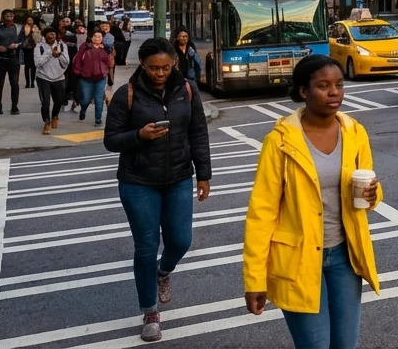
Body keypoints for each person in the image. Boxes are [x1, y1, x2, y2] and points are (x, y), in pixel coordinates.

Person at [243, 55, 382, 349]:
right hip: (297, 259)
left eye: (339, 85)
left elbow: (368, 191)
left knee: (345, 344)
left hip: (345, 255)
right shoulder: (280, 141)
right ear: (304, 92)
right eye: (324, 86)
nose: (334, 93)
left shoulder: (354, 132)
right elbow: (262, 212)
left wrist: (372, 195)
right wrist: (255, 278)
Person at [104, 37, 212, 342]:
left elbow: (198, 132)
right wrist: (139, 135)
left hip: (178, 177)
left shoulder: (187, 91)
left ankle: (163, 272)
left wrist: (204, 174)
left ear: (174, 64)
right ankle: (150, 312)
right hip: (138, 182)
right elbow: (111, 140)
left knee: (180, 240)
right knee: (146, 247)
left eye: (165, 67)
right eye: (153, 68)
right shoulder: (127, 94)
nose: (160, 73)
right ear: (142, 64)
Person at [72, 30, 114, 126]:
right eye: (95, 36)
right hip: (86, 78)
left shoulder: (106, 48)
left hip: (100, 78)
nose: (97, 38)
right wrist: (78, 71)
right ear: (91, 37)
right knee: (86, 99)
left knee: (99, 99)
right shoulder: (85, 47)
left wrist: (108, 51)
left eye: (99, 36)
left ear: (102, 39)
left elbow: (110, 63)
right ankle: (83, 110)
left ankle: (98, 119)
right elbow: (78, 60)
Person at [34, 28, 71, 135]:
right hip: (43, 77)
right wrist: (50, 52)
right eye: (49, 35)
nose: (52, 37)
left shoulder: (62, 46)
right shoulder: (39, 47)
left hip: (59, 77)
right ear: (45, 36)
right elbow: (38, 63)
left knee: (59, 101)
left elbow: (66, 62)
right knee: (45, 102)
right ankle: (47, 122)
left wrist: (60, 54)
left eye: (53, 34)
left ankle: (55, 116)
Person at [0, 9, 26, 115]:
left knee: (14, 83)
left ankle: (14, 106)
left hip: (14, 59)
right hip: (0, 60)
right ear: (3, 17)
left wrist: (12, 47)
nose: (9, 18)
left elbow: (23, 41)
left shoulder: (19, 28)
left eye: (11, 16)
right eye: (7, 16)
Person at [173, 29, 203, 95]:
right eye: (181, 36)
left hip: (191, 78)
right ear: (177, 37)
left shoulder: (191, 50)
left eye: (185, 36)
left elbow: (198, 63)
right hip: (177, 79)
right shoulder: (173, 50)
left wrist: (198, 77)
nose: (183, 38)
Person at [22, 16, 41, 88]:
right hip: (26, 48)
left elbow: (38, 37)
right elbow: (23, 36)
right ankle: (27, 82)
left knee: (33, 65)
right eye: (28, 20)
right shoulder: (24, 27)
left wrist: (34, 32)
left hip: (34, 48)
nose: (29, 21)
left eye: (31, 20)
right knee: (27, 65)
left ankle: (32, 82)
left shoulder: (35, 27)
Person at [101, 21, 118, 86]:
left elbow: (109, 45)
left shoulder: (109, 36)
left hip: (108, 54)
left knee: (110, 67)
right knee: (110, 68)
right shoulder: (108, 35)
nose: (105, 28)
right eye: (103, 27)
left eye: (107, 27)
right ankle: (110, 80)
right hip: (108, 54)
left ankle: (110, 81)